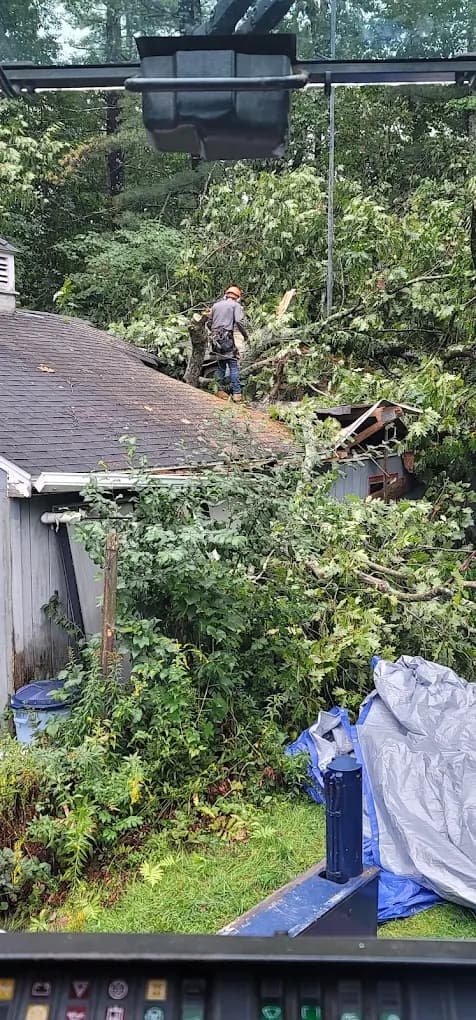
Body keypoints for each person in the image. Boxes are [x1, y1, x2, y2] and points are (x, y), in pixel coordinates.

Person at [208, 286, 249, 402]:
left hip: (216, 340)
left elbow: (209, 322)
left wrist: (215, 332)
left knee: (221, 365)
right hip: (226, 338)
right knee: (233, 365)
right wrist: (245, 336)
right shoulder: (235, 306)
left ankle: (218, 389)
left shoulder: (216, 306)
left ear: (226, 295)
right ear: (237, 297)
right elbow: (239, 322)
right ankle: (237, 393)